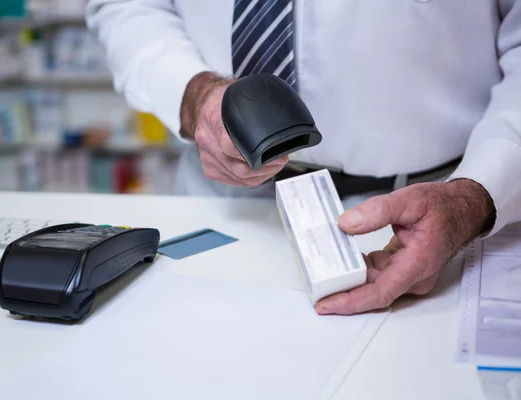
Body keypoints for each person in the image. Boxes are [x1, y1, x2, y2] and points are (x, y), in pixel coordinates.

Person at [85, 1, 521, 315]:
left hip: (420, 220)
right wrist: (192, 92)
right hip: (221, 199)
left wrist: (474, 197)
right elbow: (126, 6)